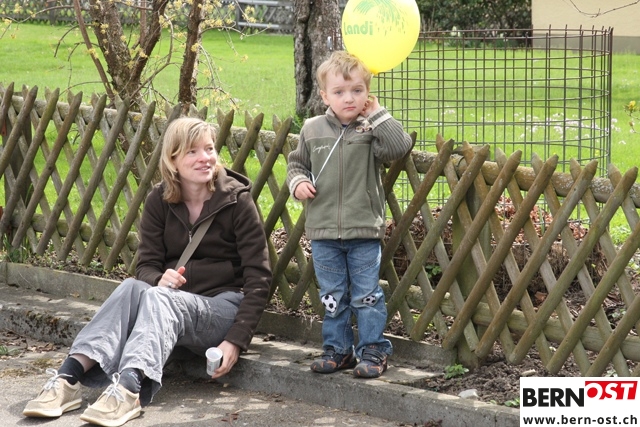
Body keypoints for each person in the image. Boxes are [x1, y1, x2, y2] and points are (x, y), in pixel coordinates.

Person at [22, 117, 272, 426]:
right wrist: (158, 278)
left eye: (209, 149)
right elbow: (147, 266)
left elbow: (259, 278)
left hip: (221, 308)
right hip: (168, 312)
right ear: (173, 160)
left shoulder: (237, 201)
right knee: (132, 287)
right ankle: (67, 379)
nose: (205, 158)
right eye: (193, 151)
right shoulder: (159, 200)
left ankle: (129, 390)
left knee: (158, 298)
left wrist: (235, 341)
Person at [286, 50, 412, 378]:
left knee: (367, 296)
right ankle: (338, 350)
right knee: (332, 297)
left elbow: (399, 147)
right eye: (339, 92)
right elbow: (296, 165)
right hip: (324, 233)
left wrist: (378, 114)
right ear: (325, 96)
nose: (349, 98)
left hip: (363, 232)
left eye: (357, 90)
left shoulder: (371, 130)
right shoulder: (312, 129)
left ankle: (373, 350)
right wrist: (298, 183)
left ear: (368, 93)